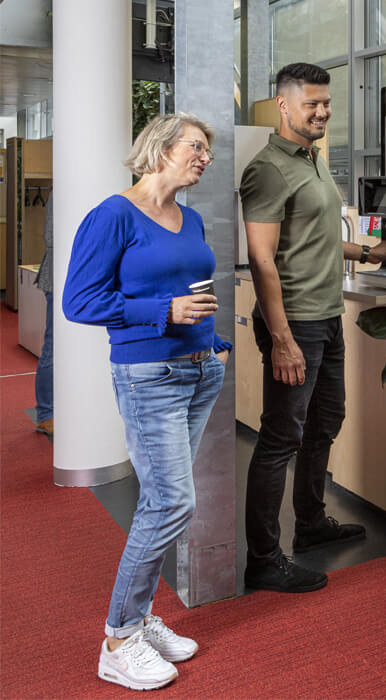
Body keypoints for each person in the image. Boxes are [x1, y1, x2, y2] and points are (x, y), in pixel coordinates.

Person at [62, 113, 230, 691]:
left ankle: (140, 619)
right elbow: (79, 302)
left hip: (199, 369)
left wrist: (215, 343)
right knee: (170, 504)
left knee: (162, 502)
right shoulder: (113, 216)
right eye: (197, 146)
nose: (205, 156)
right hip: (147, 374)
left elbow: (193, 292)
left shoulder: (191, 217)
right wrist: (161, 314)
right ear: (160, 147)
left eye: (207, 149)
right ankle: (117, 639)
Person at [239, 62, 386, 593]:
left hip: (327, 317)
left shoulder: (311, 160)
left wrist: (368, 252)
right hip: (297, 324)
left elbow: (315, 237)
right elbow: (263, 259)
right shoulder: (268, 169)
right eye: (311, 103)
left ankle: (309, 525)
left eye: (326, 103)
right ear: (283, 105)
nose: (322, 111)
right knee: (281, 436)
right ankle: (264, 558)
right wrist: (282, 339)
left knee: (325, 421)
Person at [34, 190, 54, 436]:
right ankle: (45, 414)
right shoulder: (60, 191)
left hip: (78, 282)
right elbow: (51, 237)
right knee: (53, 347)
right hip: (57, 280)